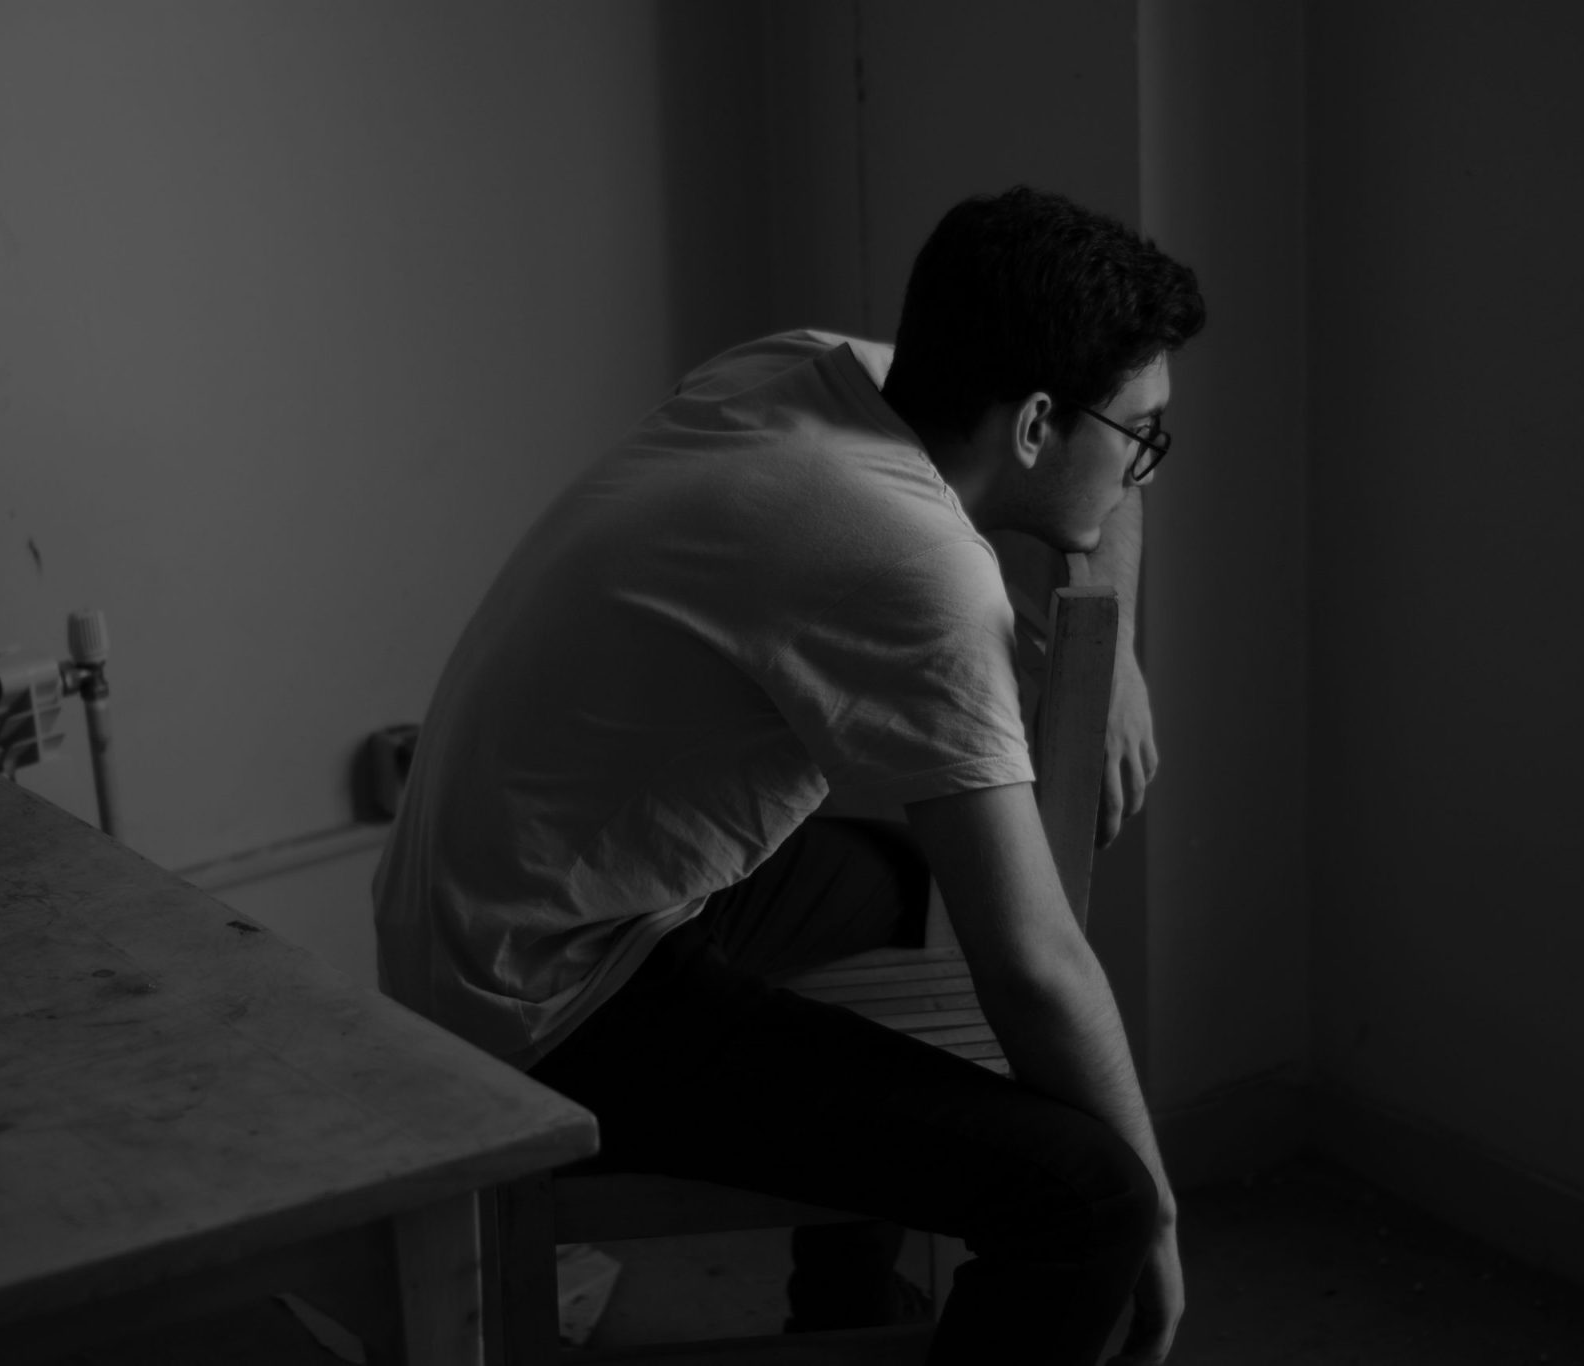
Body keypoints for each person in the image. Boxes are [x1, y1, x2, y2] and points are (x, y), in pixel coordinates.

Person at [373, 185, 1205, 1365]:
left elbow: (1092, 492)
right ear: (1030, 425)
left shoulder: (815, 371)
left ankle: (844, 1308)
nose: (1147, 476)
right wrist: (1160, 1208)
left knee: (908, 885)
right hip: (542, 1003)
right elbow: (1031, 961)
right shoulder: (911, 562)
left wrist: (1107, 644)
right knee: (1091, 1205)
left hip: (503, 897)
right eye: (1143, 438)